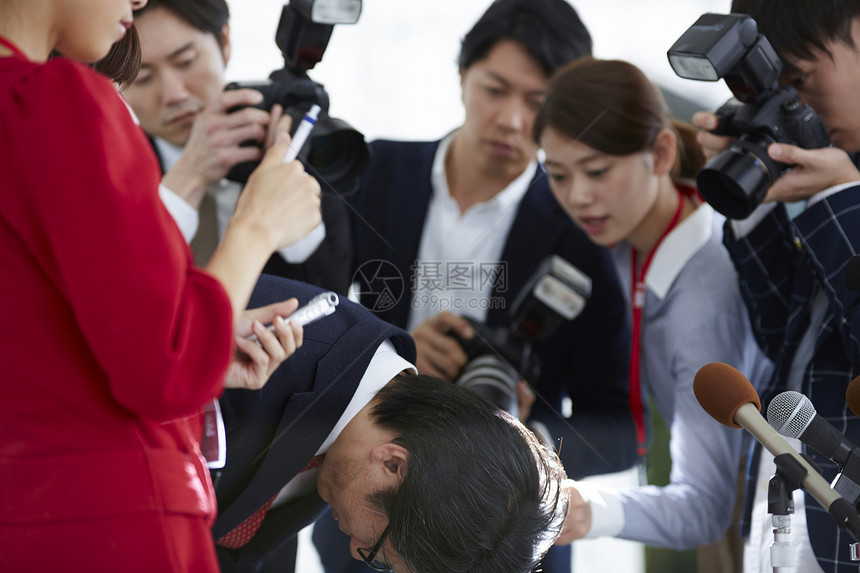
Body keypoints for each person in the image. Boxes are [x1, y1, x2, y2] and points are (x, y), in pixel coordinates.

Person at [0, 1, 320, 571]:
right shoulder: (55, 100)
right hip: (113, 522)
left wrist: (206, 328)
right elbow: (168, 365)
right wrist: (257, 224)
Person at [328, 1, 635, 571]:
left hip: (504, 535)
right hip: (364, 515)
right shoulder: (372, 173)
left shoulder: (583, 235)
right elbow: (310, 322)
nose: (513, 121)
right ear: (462, 75)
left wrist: (524, 434)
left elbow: (620, 427)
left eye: (538, 104)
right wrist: (393, 360)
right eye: (496, 89)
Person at [533, 56, 772, 553]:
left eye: (597, 171)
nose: (578, 196)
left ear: (661, 153)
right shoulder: (628, 233)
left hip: (748, 527)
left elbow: (706, 506)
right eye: (557, 174)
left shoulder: (703, 303)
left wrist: (588, 511)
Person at [211, 273, 570, 573]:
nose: (354, 550)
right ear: (393, 463)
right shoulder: (265, 349)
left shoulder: (348, 439)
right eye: (374, 551)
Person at [690, 1, 860, 570]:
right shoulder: (838, 162)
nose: (797, 103)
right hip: (787, 508)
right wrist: (752, 200)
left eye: (801, 79)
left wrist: (842, 198)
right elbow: (780, 335)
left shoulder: (845, 184)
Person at [125, 0, 352, 293]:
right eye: (142, 77)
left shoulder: (292, 141)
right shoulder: (105, 169)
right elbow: (118, 292)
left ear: (225, 40)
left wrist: (283, 179)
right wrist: (189, 177)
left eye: (186, 62)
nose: (174, 94)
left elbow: (334, 295)